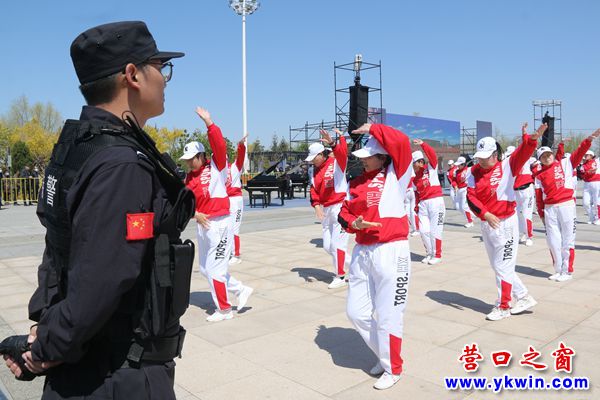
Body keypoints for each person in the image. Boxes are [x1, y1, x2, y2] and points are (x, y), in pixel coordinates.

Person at [0, 21, 196, 399]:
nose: (165, 79)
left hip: (89, 364)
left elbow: (59, 250)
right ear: (132, 75)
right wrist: (43, 350)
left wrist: (45, 330)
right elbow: (103, 279)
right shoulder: (122, 164)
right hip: (117, 375)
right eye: (161, 67)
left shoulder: (79, 147)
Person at [338, 122, 413, 390]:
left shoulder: (397, 175)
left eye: (368, 156)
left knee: (388, 314)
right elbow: (343, 212)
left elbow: (402, 142)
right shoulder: (356, 182)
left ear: (382, 157)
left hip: (391, 249)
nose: (363, 161)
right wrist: (353, 224)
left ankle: (393, 367)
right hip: (362, 250)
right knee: (355, 312)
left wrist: (374, 128)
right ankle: (385, 355)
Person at [466, 123, 545, 321]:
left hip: (506, 223)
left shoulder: (508, 166)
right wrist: (485, 214)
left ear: (495, 155)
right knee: (498, 266)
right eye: (479, 157)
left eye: (485, 157)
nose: (481, 161)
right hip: (488, 223)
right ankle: (524, 296)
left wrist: (531, 140)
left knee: (503, 267)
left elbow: (523, 153)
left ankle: (503, 306)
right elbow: (470, 197)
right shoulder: (473, 172)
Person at [181, 108, 253, 322]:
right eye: (186, 160)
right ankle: (240, 289)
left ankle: (224, 310)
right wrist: (195, 214)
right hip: (203, 226)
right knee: (205, 269)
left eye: (192, 159)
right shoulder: (189, 178)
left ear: (201, 156)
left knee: (216, 271)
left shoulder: (216, 166)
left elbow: (219, 146)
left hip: (220, 224)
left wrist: (209, 123)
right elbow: (186, 203)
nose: (188, 163)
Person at [534, 129, 600, 281]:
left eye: (548, 154)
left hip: (566, 205)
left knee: (567, 240)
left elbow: (579, 152)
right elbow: (538, 198)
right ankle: (558, 269)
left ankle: (567, 271)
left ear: (552, 154)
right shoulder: (539, 176)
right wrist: (542, 214)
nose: (547, 157)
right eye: (543, 156)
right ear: (540, 159)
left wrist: (588, 140)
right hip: (550, 209)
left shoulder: (565, 163)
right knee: (553, 241)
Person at [306, 128, 349, 289]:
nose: (312, 161)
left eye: (314, 158)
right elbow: (313, 190)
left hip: (340, 207)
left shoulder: (337, 163)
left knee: (338, 245)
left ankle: (340, 275)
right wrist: (317, 206)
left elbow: (342, 153)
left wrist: (333, 142)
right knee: (327, 246)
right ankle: (356, 264)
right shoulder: (313, 171)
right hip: (326, 209)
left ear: (322, 154)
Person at [412, 139, 445, 265]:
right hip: (423, 205)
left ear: (420, 162)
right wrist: (416, 206)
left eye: (414, 163)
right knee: (424, 230)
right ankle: (429, 253)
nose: (413, 166)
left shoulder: (431, 168)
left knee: (435, 230)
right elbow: (416, 194)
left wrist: (423, 144)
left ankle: (437, 254)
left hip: (436, 202)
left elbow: (432, 155)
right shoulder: (415, 179)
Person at [505, 141, 536, 246]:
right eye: (508, 156)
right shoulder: (508, 163)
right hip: (515, 191)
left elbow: (527, 147)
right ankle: (524, 233)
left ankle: (529, 236)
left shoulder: (524, 158)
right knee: (518, 214)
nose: (510, 157)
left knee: (527, 214)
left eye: (511, 155)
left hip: (527, 189)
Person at [227, 134, 248, 265]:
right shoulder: (216, 171)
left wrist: (240, 145)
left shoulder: (234, 167)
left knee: (234, 228)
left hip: (235, 200)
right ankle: (228, 252)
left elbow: (240, 157)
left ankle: (236, 254)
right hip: (225, 201)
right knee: (226, 228)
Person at [452, 157, 474, 227]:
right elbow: (453, 180)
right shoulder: (456, 171)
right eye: (457, 165)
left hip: (465, 189)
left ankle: (470, 221)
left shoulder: (468, 170)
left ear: (463, 164)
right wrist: (455, 185)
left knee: (464, 206)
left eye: (459, 165)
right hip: (459, 190)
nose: (458, 166)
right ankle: (471, 216)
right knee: (458, 207)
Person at [581, 149, 600, 225]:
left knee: (596, 201)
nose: (585, 156)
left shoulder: (597, 161)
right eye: (585, 155)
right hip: (587, 184)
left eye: (587, 155)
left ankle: (598, 218)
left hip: (596, 182)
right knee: (585, 202)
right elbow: (582, 175)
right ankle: (591, 217)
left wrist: (588, 172)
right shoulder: (583, 165)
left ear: (591, 156)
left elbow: (593, 171)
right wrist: (588, 172)